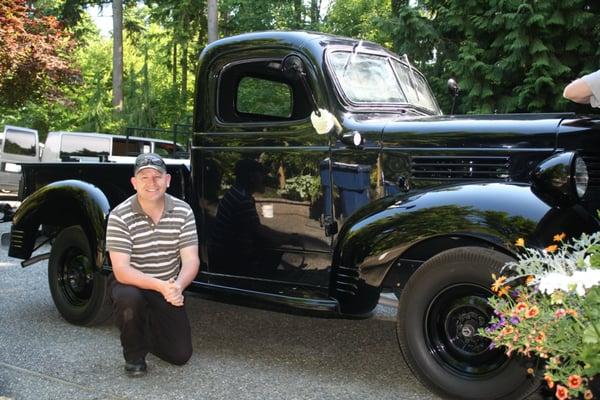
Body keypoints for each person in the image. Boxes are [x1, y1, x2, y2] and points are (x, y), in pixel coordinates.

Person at [106, 153, 199, 377]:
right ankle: (134, 355)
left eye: (157, 176)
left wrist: (177, 286)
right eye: (144, 177)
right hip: (131, 283)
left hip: (167, 284)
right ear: (134, 182)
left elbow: (190, 259)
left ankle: (143, 325)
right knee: (129, 300)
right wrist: (161, 286)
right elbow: (121, 270)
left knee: (180, 355)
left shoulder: (183, 211)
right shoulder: (119, 215)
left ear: (167, 180)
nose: (151, 183)